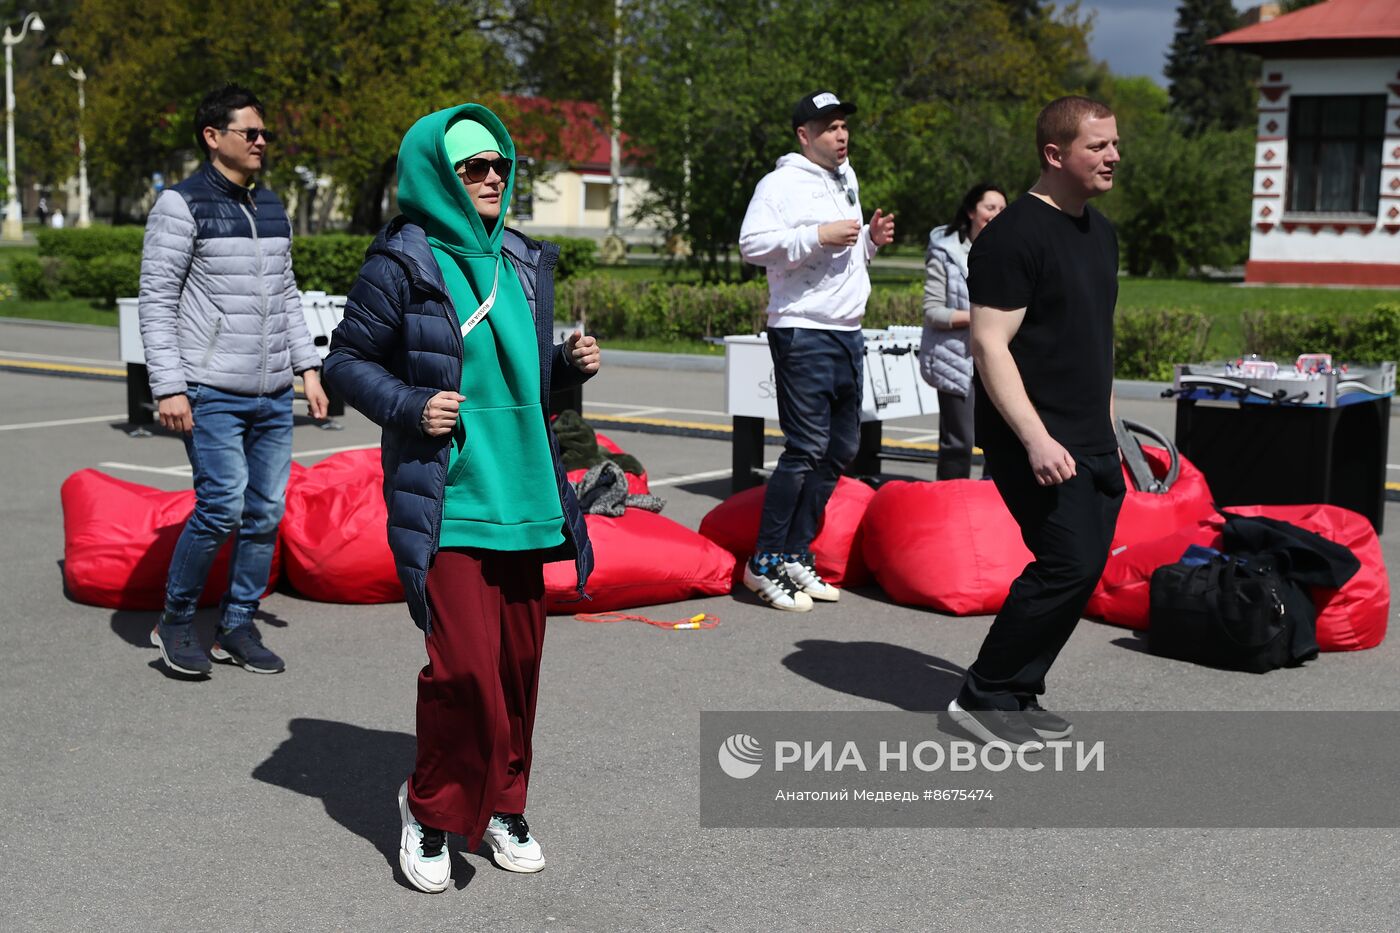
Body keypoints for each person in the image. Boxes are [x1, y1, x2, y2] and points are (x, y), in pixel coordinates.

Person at [323, 103, 599, 895]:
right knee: (464, 673)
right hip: (451, 496)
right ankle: (432, 809)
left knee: (518, 670)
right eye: (472, 166)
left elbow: (510, 364)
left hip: (529, 492)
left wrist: (566, 364)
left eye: (498, 166)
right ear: (437, 174)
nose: (488, 178)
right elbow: (345, 363)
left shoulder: (519, 256)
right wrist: (411, 406)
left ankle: (506, 806)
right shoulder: (402, 260)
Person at [947, 96, 1124, 751]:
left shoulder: (1100, 232)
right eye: (1097, 146)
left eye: (1113, 144)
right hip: (1037, 435)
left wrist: (1112, 429)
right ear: (1056, 154)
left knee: (1079, 570)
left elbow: (1093, 340)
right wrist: (1035, 438)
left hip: (1091, 434)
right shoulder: (1013, 236)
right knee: (1065, 562)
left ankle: (1016, 693)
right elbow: (990, 345)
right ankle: (982, 696)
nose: (1112, 156)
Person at [140, 83, 326, 678]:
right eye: (250, 132)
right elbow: (157, 300)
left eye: (264, 132)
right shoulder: (180, 204)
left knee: (266, 510)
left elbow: (288, 296)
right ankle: (175, 619)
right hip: (209, 387)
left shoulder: (271, 206)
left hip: (272, 391)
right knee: (222, 505)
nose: (261, 141)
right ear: (213, 136)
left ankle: (237, 624)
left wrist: (308, 368)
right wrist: (168, 385)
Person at [737, 90, 895, 612]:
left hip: (847, 329)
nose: (841, 135)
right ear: (804, 136)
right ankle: (762, 562)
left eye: (844, 125)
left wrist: (869, 241)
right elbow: (752, 245)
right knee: (805, 449)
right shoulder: (779, 184)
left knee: (840, 449)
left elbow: (846, 256)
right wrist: (817, 234)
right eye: (829, 127)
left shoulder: (845, 178)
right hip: (802, 329)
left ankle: (794, 554)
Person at [919, 183, 1007, 480]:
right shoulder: (945, 252)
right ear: (971, 212)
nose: (996, 214)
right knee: (960, 442)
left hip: (997, 358)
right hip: (955, 358)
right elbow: (933, 311)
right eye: (989, 208)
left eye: (1002, 209)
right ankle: (951, 504)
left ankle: (994, 501)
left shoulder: (1010, 252)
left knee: (1001, 439)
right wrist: (978, 317)